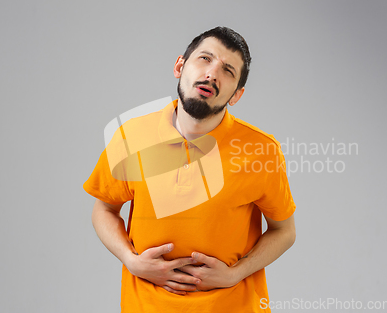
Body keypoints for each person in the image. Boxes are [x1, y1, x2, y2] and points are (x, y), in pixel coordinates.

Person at [84, 26, 296, 312]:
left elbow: (285, 231)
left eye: (228, 71)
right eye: (205, 59)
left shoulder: (261, 150)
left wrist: (234, 274)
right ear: (180, 66)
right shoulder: (131, 136)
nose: (212, 74)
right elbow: (104, 208)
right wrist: (130, 260)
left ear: (237, 95)